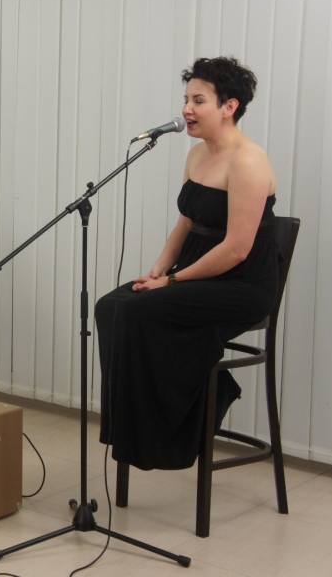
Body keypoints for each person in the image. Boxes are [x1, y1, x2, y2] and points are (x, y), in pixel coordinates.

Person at [95, 57, 281, 471]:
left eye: (198, 101)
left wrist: (173, 281)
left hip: (241, 284)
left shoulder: (249, 160)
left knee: (139, 311)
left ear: (229, 106)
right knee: (110, 308)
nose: (186, 110)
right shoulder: (197, 156)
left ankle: (193, 411)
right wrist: (159, 269)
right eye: (185, 100)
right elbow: (186, 222)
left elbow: (236, 249)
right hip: (194, 274)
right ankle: (132, 430)